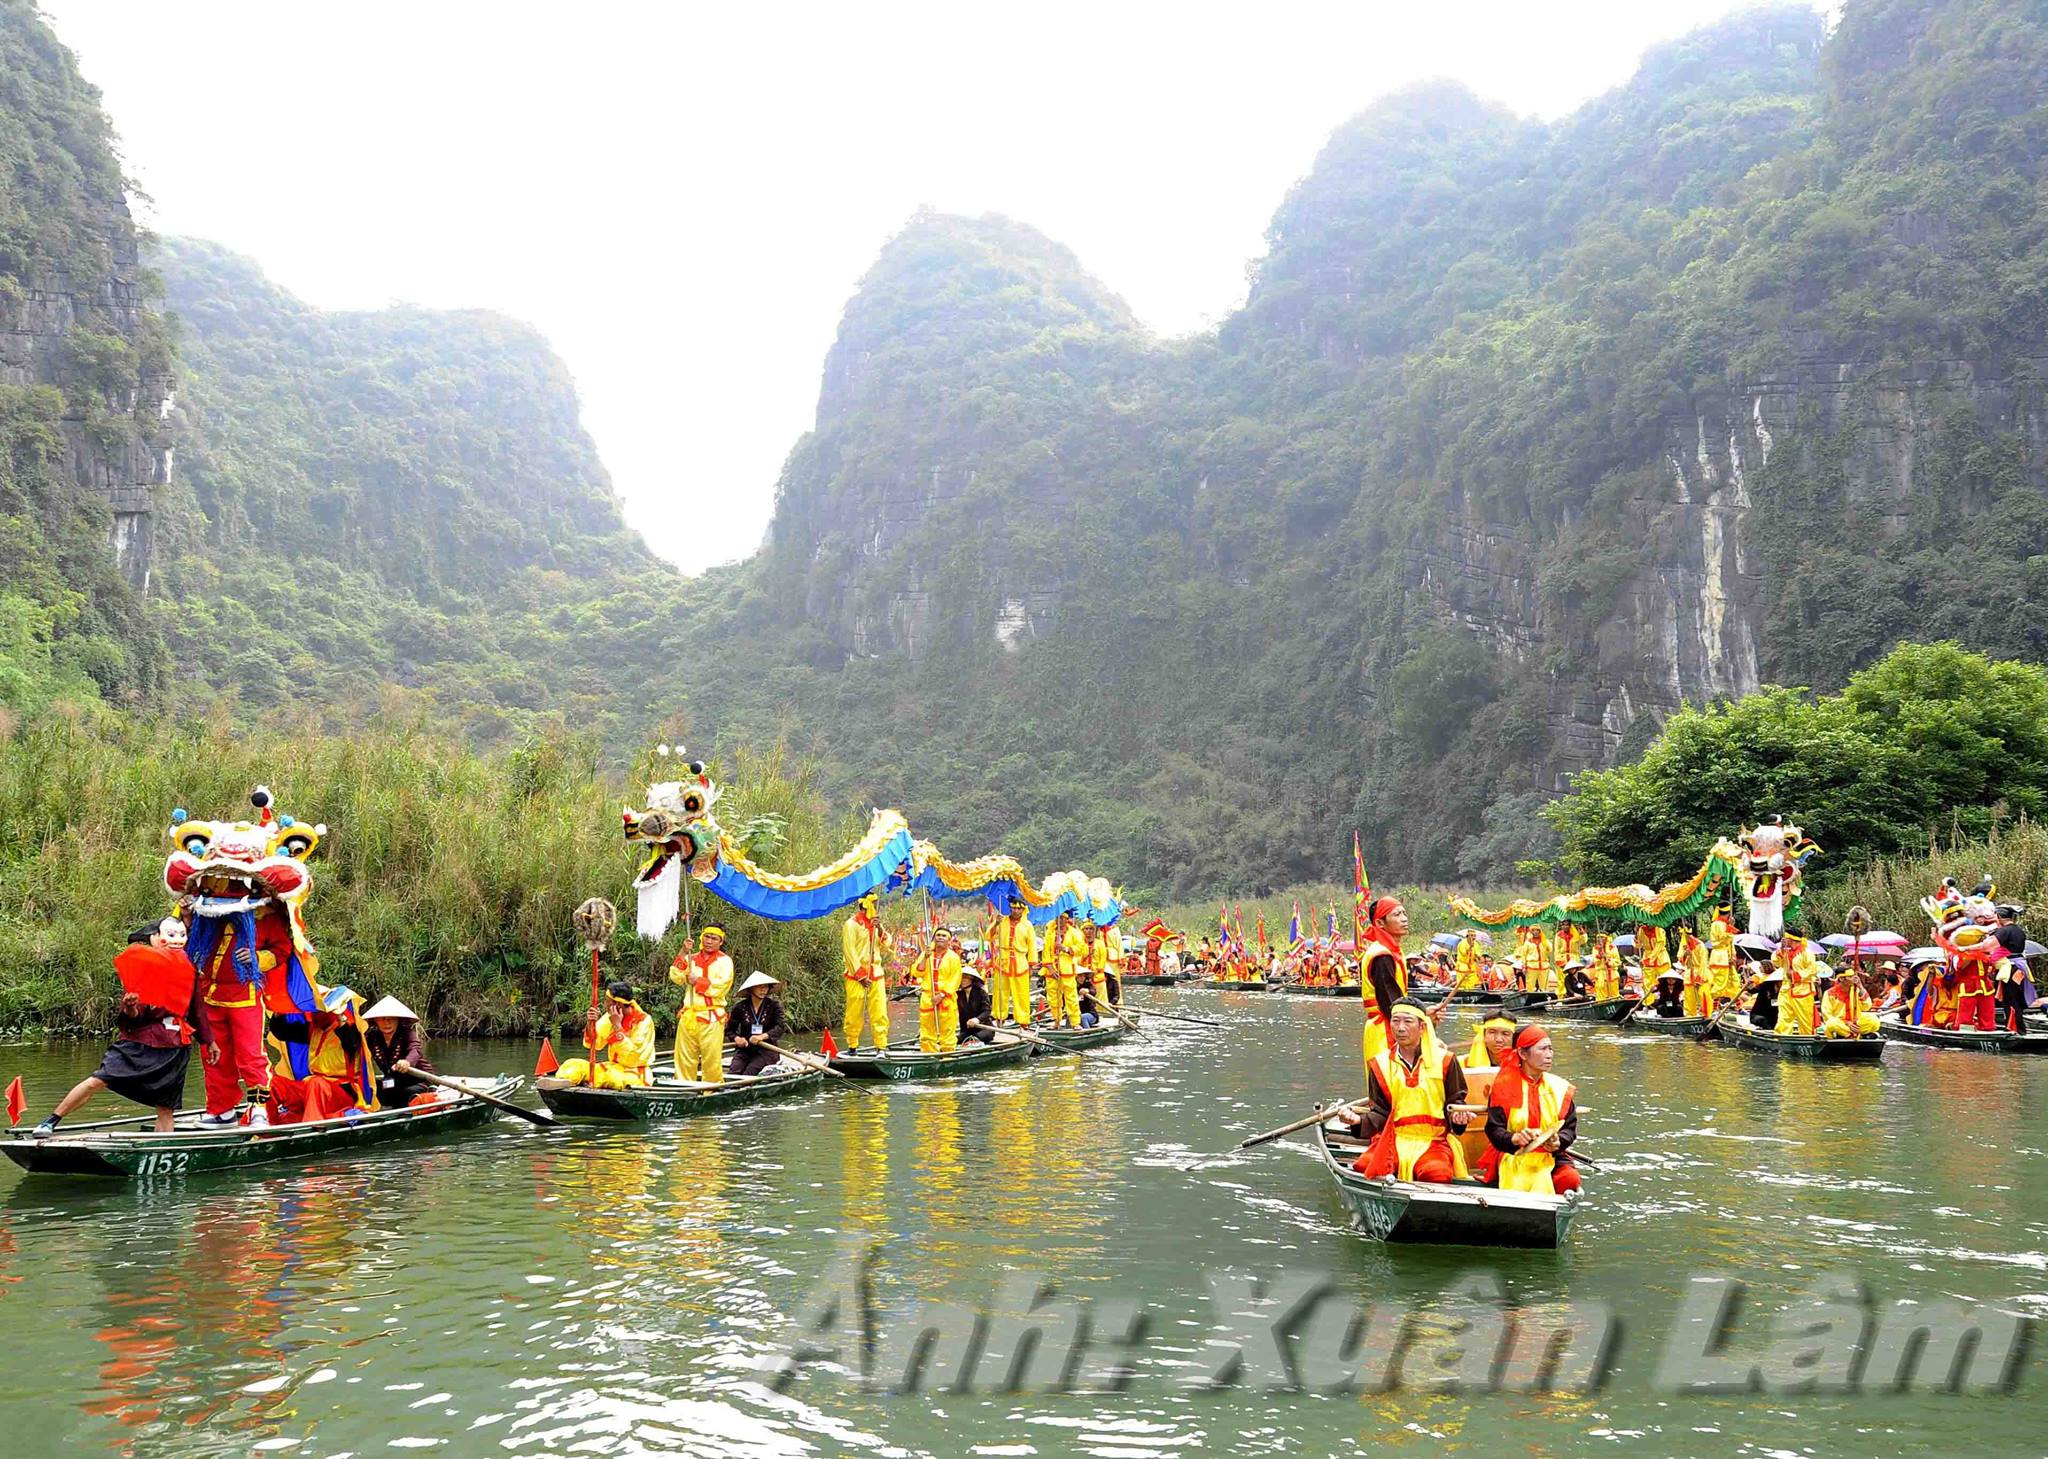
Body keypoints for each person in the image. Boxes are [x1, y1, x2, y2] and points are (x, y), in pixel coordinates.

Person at [32, 920, 213, 1138]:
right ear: (155, 938)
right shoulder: (142, 966)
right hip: (139, 1041)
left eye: (181, 936)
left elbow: (197, 1010)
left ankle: (161, 1147)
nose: (176, 941)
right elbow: (132, 1017)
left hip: (174, 1044)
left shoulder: (189, 969)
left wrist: (209, 1041)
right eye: (169, 935)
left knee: (166, 1106)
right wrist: (130, 1007)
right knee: (98, 1079)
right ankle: (50, 1121)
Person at [1341, 999, 1470, 1182]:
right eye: (1395, 1021)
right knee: (1364, 1167)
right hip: (1393, 1139)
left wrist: (1458, 1117)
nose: (1400, 1028)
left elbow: (1455, 1103)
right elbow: (1380, 1112)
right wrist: (1357, 1121)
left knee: (1436, 1173)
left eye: (1408, 1021)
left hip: (1433, 1140)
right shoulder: (1380, 1064)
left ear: (1422, 1027)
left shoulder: (1446, 1060)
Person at [1480, 1025, 1581, 1195]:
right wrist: (1515, 1138)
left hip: (1550, 1155)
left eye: (1550, 1048)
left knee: (1570, 1179)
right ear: (1523, 1054)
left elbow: (1569, 1129)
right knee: (1524, 1181)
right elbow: (1494, 1130)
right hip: (1515, 1154)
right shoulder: (1503, 1087)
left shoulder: (1560, 1087)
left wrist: (1558, 1141)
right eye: (1542, 1049)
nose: (1549, 1054)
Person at [265, 987, 371, 1124]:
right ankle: (268, 1125)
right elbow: (282, 1032)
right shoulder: (314, 1030)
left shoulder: (349, 1030)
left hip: (342, 1091)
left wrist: (339, 1014)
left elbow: (351, 1042)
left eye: (319, 1010)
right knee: (271, 1082)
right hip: (312, 1088)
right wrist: (280, 1011)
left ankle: (313, 1123)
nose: (314, 1014)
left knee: (316, 1083)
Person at [1358, 895, 1420, 1068]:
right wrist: (1419, 1017)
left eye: (1404, 913)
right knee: (1389, 1076)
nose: (1404, 919)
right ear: (1380, 923)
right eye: (1397, 915)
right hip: (1386, 1028)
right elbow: (1391, 1003)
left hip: (1392, 1024)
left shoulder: (1389, 951)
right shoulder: (1382, 955)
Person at [556, 983, 657, 1088]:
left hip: (636, 1073)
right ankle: (565, 1082)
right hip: (613, 1067)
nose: (605, 1004)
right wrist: (591, 1023)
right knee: (572, 1064)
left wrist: (617, 1027)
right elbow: (595, 1044)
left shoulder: (643, 1021)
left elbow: (633, 1058)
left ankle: (591, 1083)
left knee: (613, 1078)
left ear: (617, 1004)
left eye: (607, 1001)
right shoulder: (609, 1017)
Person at [671, 925, 734, 1083]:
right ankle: (684, 1087)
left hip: (711, 1016)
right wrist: (683, 952)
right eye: (707, 937)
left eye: (714, 938)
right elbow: (675, 976)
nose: (709, 941)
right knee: (684, 1057)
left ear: (721, 941)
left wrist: (698, 981)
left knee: (711, 1058)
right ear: (701, 938)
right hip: (689, 1015)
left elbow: (721, 986)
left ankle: (711, 1089)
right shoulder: (690, 958)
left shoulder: (725, 961)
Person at [363, 994, 434, 1107]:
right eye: (382, 1019)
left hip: (420, 1081)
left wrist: (407, 1062)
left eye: (391, 1019)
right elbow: (355, 1047)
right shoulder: (372, 1037)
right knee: (368, 1088)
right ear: (375, 1020)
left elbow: (415, 1049)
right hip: (394, 1082)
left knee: (406, 1093)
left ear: (398, 1020)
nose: (387, 1022)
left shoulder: (407, 1033)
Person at [841, 893, 890, 1052]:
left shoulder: (876, 924)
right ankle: (852, 1044)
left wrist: (880, 928)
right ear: (866, 905)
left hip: (876, 973)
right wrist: (860, 975)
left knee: (880, 1011)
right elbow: (849, 951)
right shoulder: (851, 924)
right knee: (854, 1011)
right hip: (856, 975)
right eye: (874, 904)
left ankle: (881, 1046)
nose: (876, 907)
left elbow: (887, 943)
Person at [727, 971, 787, 1076]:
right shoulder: (740, 1007)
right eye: (759, 986)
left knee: (749, 1074)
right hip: (745, 1050)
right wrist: (737, 1038)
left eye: (766, 986)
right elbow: (730, 1030)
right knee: (733, 1073)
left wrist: (762, 1037)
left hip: (767, 1051)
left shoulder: (774, 1006)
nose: (763, 990)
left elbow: (780, 1027)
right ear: (751, 988)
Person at [918, 926, 962, 1053]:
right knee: (926, 1031)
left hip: (946, 998)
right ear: (934, 938)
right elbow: (917, 972)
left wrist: (942, 995)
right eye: (938, 935)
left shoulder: (954, 958)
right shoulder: (926, 954)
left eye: (944, 936)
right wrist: (925, 958)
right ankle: (929, 1054)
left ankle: (947, 1054)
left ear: (949, 941)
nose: (941, 938)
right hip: (928, 997)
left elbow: (955, 979)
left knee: (947, 1030)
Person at [991, 901, 1035, 1028]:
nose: (1016, 911)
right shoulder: (1001, 920)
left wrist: (1031, 965)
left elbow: (1032, 946)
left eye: (1019, 908)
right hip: (1002, 961)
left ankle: (1023, 1020)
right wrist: (996, 923)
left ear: (1023, 910)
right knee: (1000, 991)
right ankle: (999, 1017)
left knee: (1021, 993)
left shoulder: (1027, 925)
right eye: (1014, 908)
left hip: (1020, 961)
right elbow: (989, 936)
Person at [1040, 909, 1084, 1028]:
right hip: (1052, 970)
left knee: (1071, 997)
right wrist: (1050, 967)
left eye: (1063, 918)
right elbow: (1045, 952)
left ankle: (1075, 1023)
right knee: (1053, 998)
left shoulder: (1074, 933)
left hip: (1067, 969)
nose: (1060, 920)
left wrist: (1066, 949)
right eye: (1058, 917)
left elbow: (1081, 948)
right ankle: (1057, 1021)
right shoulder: (1050, 933)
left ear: (1067, 919)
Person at [1774, 933, 1821, 1035]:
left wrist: (1796, 976)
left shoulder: (1806, 953)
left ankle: (1807, 1039)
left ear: (1791, 939)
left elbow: (1812, 970)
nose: (1783, 940)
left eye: (1785, 938)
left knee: (1805, 1020)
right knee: (1783, 1018)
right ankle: (1782, 1037)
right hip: (1786, 989)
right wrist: (1781, 951)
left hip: (1802, 991)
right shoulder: (1785, 951)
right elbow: (1776, 963)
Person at [1820, 964, 1880, 1039]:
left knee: (1874, 1020)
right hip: (1840, 1024)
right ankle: (1853, 1035)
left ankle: (1852, 1034)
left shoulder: (1856, 990)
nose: (1854, 979)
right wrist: (1847, 1023)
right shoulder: (1829, 993)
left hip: (1856, 1023)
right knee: (1831, 1023)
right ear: (1841, 978)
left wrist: (1860, 986)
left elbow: (1867, 1006)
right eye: (1850, 977)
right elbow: (1827, 1015)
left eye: (1854, 976)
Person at [1707, 911, 1742, 1015]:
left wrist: (1733, 956)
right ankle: (1712, 1008)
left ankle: (1739, 1007)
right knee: (1719, 984)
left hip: (1728, 958)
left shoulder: (1726, 924)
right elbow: (1722, 940)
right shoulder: (1717, 924)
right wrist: (1730, 927)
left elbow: (1730, 943)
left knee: (1734, 982)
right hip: (1720, 957)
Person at [956, 962, 997, 1045]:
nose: (963, 980)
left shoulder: (981, 992)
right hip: (967, 1030)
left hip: (984, 1028)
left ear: (972, 980)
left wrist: (977, 1020)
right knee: (957, 1040)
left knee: (976, 1038)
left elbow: (987, 1011)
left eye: (966, 978)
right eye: (962, 978)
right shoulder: (959, 994)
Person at [1678, 926, 1710, 1017]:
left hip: (1700, 972)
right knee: (1689, 996)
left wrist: (1700, 977)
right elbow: (1681, 960)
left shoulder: (1700, 945)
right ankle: (1689, 1014)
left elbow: (1703, 963)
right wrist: (1686, 954)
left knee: (1702, 995)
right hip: (1689, 972)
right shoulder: (1683, 945)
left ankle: (1704, 1014)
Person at [1745, 965, 1783, 1031]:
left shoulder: (1783, 990)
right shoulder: (1765, 985)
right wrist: (1749, 985)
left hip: (1774, 1015)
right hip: (1759, 1015)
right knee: (1762, 1020)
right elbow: (1752, 990)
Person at [1586, 933, 1622, 1001]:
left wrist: (1608, 959)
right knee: (1601, 989)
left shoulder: (1612, 947)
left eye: (1602, 937)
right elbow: (1595, 961)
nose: (1599, 939)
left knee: (1614, 991)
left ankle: (1615, 1002)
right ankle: (1601, 1003)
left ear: (1606, 938)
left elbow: (1617, 961)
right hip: (1600, 973)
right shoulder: (1595, 948)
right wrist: (1600, 956)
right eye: (1598, 937)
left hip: (1612, 973)